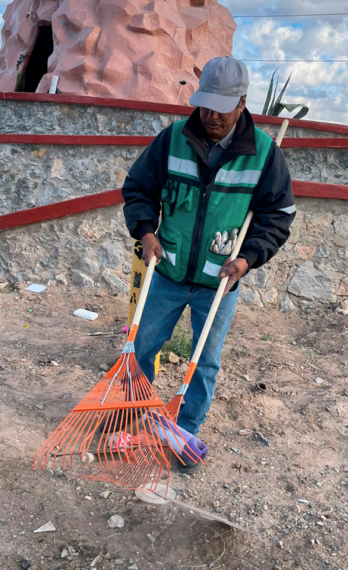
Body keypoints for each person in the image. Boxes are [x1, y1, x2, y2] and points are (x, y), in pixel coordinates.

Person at [120, 56, 296, 473]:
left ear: (242, 102)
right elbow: (139, 189)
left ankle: (184, 431)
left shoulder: (264, 155)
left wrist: (248, 259)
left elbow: (277, 216)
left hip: (220, 280)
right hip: (167, 270)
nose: (211, 116)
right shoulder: (172, 139)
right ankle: (128, 419)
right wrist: (146, 231)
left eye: (221, 107)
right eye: (205, 106)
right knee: (141, 348)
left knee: (204, 361)